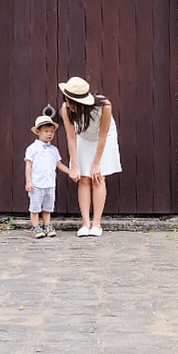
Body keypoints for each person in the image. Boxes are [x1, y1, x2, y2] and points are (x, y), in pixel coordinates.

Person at [58, 76, 121, 237]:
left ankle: (97, 224)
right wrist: (74, 165)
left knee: (98, 177)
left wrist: (96, 163)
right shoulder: (66, 109)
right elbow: (71, 138)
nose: (68, 104)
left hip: (104, 138)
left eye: (71, 101)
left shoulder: (104, 106)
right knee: (84, 178)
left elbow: (102, 136)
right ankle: (86, 223)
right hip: (83, 137)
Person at [24, 114, 71, 239]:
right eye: (46, 131)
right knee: (35, 207)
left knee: (47, 207)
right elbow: (28, 166)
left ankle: (47, 225)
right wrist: (28, 181)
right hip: (37, 184)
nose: (49, 134)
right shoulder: (32, 149)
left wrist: (70, 171)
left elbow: (59, 164)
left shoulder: (54, 149)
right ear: (38, 132)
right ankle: (35, 227)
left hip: (50, 184)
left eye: (51, 132)